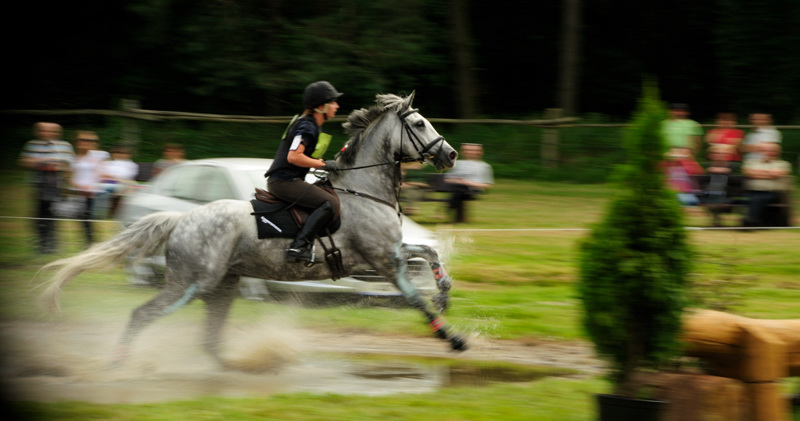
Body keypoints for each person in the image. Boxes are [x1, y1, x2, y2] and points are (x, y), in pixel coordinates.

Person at [265, 81, 343, 264]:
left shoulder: (311, 125)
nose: (337, 106)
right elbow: (294, 157)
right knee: (329, 202)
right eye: (333, 102)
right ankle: (298, 247)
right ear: (321, 107)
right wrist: (322, 164)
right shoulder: (307, 126)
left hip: (289, 180)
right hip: (283, 182)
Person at [18, 122, 75, 254]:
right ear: (38, 132)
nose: (48, 134)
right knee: (39, 214)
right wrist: (42, 161)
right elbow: (24, 162)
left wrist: (60, 168)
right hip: (39, 185)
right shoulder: (32, 144)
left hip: (58, 185)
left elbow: (71, 165)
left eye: (52, 132)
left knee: (54, 215)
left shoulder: (65, 146)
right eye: (44, 131)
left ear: (58, 133)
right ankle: (41, 244)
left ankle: (53, 245)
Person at [69, 131, 109, 245]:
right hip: (78, 191)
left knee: (89, 219)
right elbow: (69, 176)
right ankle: (90, 242)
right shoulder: (73, 157)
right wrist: (77, 185)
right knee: (82, 219)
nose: (86, 143)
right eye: (82, 140)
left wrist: (91, 186)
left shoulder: (100, 155)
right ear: (77, 142)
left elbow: (102, 172)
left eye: (90, 140)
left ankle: (92, 242)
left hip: (93, 191)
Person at [742, 142, 791, 227]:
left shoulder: (783, 164)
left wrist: (758, 173)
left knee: (759, 198)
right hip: (751, 191)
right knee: (754, 197)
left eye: (772, 150)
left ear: (777, 152)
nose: (768, 152)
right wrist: (769, 173)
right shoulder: (751, 162)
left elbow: (777, 174)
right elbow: (749, 173)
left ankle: (750, 220)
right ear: (760, 151)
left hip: (773, 193)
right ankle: (753, 220)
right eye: (764, 150)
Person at [444, 143, 493, 223]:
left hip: (473, 190)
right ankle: (455, 217)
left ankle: (447, 211)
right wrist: (458, 181)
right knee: (458, 189)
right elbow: (447, 179)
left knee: (458, 189)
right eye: (468, 150)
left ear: (480, 152)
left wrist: (467, 183)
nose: (470, 152)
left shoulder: (484, 166)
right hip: (457, 188)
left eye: (474, 150)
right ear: (463, 152)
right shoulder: (456, 164)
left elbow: (487, 185)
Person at [100, 145, 139, 217]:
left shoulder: (132, 165)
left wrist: (115, 178)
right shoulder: (108, 163)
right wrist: (115, 178)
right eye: (118, 152)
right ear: (114, 154)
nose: (121, 155)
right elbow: (103, 174)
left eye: (124, 153)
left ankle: (119, 212)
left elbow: (128, 176)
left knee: (129, 186)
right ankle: (111, 212)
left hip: (124, 183)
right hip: (110, 183)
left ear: (129, 155)